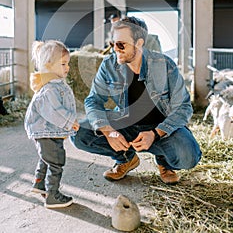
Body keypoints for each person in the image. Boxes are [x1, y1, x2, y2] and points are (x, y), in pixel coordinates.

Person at [71, 16, 202, 185]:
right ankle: (125, 159)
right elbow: (93, 101)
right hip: (126, 123)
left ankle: (164, 162)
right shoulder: (108, 65)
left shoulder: (165, 65)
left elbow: (183, 108)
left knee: (188, 156)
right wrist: (108, 131)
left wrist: (155, 133)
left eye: (121, 44)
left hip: (160, 128)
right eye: (113, 44)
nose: (115, 49)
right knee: (78, 133)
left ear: (139, 43)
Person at [25, 40, 79, 209]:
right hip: (45, 131)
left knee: (47, 157)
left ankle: (39, 183)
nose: (67, 68)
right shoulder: (49, 89)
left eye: (67, 64)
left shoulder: (54, 84)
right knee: (56, 161)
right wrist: (71, 122)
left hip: (47, 131)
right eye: (63, 64)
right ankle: (53, 196)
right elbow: (55, 111)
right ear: (48, 65)